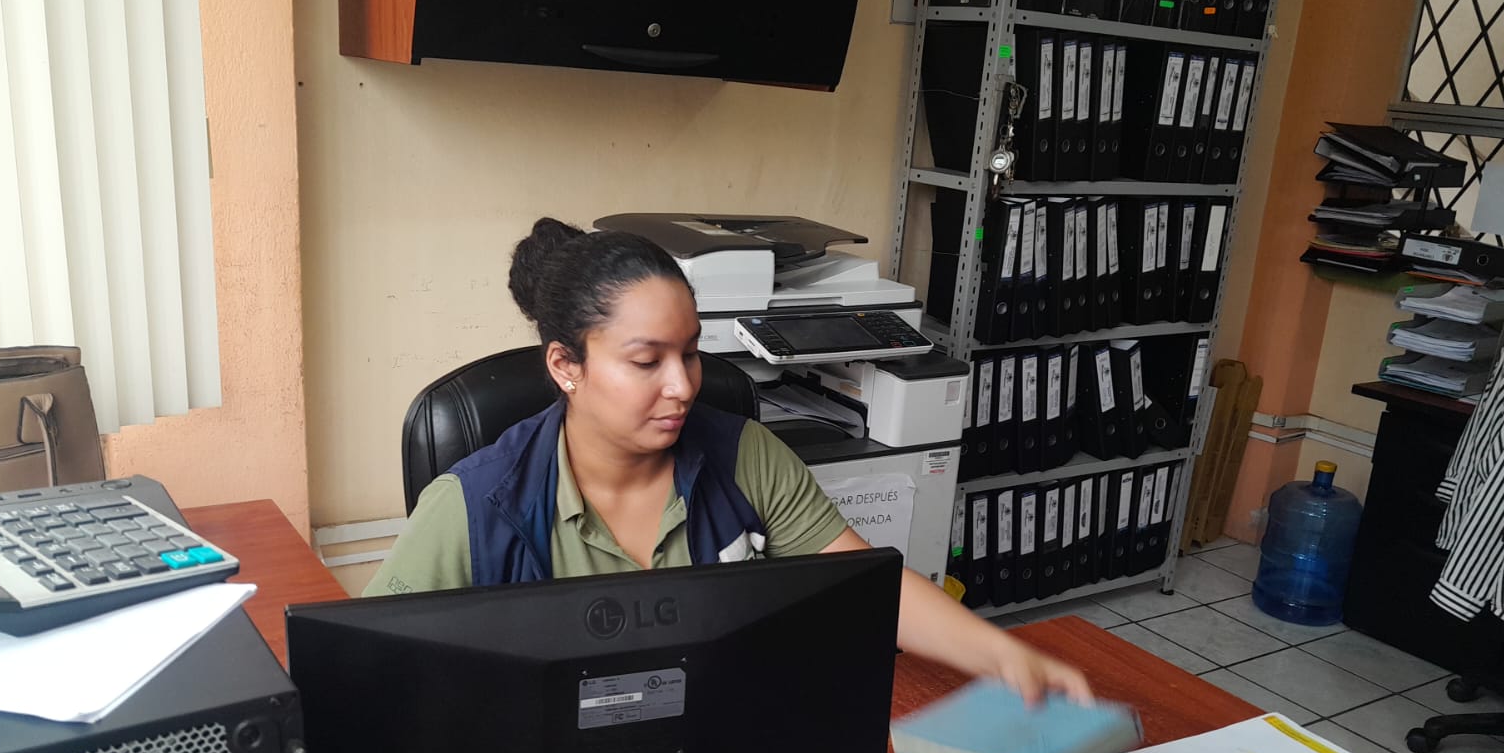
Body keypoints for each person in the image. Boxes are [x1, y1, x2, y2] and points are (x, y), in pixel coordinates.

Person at [366, 217, 1092, 706]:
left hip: (722, 742)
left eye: (690, 353)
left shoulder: (745, 455)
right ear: (565, 365)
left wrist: (999, 653)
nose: (683, 386)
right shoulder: (473, 505)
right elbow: (370, 668)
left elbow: (864, 586)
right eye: (646, 361)